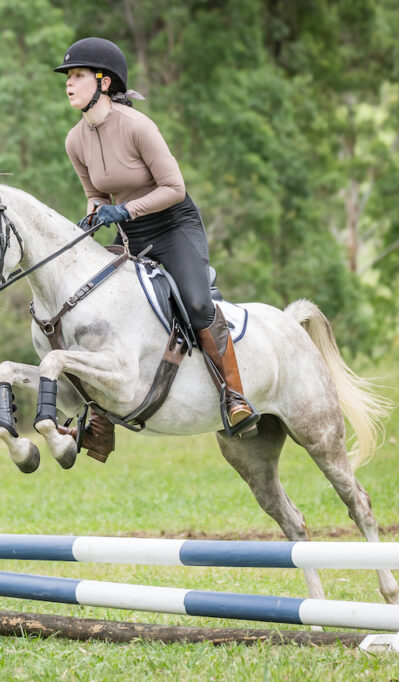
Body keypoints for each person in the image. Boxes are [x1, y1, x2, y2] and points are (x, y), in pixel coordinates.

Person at [53, 37, 259, 452]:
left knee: (199, 305)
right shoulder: (74, 140)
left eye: (77, 76)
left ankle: (234, 396)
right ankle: (99, 422)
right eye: (68, 77)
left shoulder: (138, 126)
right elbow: (96, 194)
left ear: (104, 82)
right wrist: (94, 213)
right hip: (131, 234)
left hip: (173, 226)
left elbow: (174, 188)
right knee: (91, 307)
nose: (69, 84)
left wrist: (123, 213)